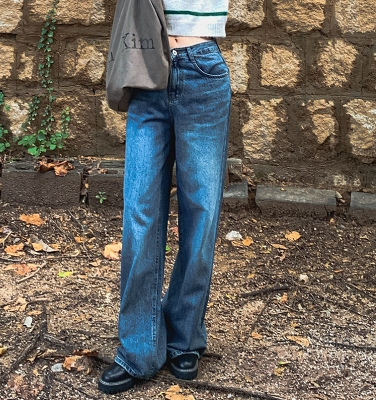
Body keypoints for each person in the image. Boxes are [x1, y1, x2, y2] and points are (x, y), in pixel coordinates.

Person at [98, 0, 231, 394]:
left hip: (202, 70)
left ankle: (184, 336)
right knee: (139, 213)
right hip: (146, 69)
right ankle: (139, 348)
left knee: (202, 213)